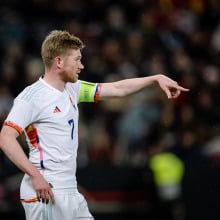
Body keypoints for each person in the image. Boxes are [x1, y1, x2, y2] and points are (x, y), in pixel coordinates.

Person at [0, 30, 189, 220]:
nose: (81, 65)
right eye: (77, 59)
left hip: (70, 190)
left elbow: (117, 89)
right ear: (59, 61)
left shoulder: (73, 88)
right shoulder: (31, 98)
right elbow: (5, 138)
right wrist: (35, 176)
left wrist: (155, 79)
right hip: (45, 189)